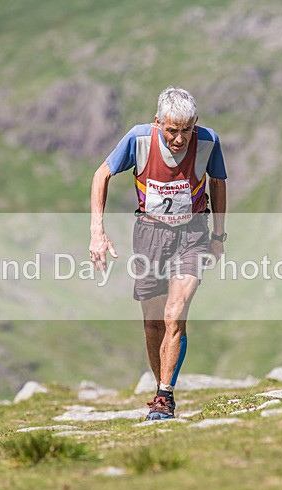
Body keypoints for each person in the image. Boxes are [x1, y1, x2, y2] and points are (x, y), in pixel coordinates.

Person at [89, 87, 228, 420]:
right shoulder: (138, 139)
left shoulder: (208, 141)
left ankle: (164, 397)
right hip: (150, 234)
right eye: (171, 130)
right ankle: (161, 387)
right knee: (153, 325)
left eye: (186, 129)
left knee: (174, 314)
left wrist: (219, 236)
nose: (180, 139)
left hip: (193, 233)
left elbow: (218, 183)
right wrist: (97, 231)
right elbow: (102, 174)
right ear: (157, 122)